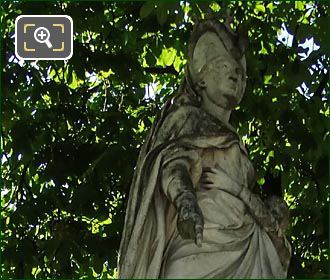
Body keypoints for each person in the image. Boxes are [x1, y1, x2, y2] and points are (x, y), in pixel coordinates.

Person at [118, 19, 291, 279]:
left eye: (241, 74)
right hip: (197, 243)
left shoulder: (237, 144)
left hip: (244, 246)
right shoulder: (188, 118)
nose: (235, 76)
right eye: (224, 67)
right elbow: (172, 164)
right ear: (202, 80)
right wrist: (186, 202)